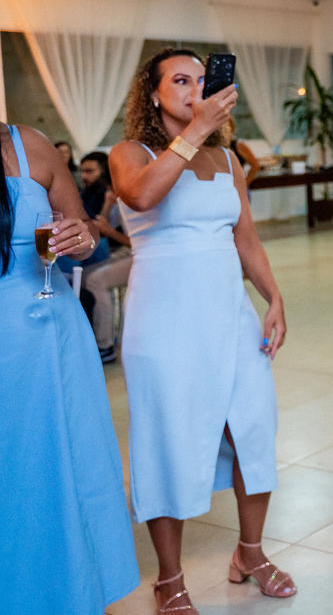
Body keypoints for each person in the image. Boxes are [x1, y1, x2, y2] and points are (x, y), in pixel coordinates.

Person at [110, 48, 294, 613]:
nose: (195, 89)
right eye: (180, 80)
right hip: (164, 322)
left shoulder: (228, 160)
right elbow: (142, 194)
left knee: (253, 430)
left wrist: (273, 297)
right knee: (167, 440)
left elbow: (246, 238)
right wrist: (195, 130)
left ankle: (250, 553)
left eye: (201, 80)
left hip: (230, 316)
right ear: (153, 93)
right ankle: (169, 578)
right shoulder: (129, 154)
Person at [1, 121, 139, 613]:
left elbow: (83, 228)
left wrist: (80, 238)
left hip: (51, 335)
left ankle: (71, 590)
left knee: (60, 461)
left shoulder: (30, 145)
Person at [78, 150, 133, 360]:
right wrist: (109, 204)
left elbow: (139, 242)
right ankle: (93, 335)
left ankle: (105, 345)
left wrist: (110, 232)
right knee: (83, 274)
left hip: (143, 255)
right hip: (128, 252)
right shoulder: (114, 196)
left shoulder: (136, 197)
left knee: (95, 280)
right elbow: (101, 226)